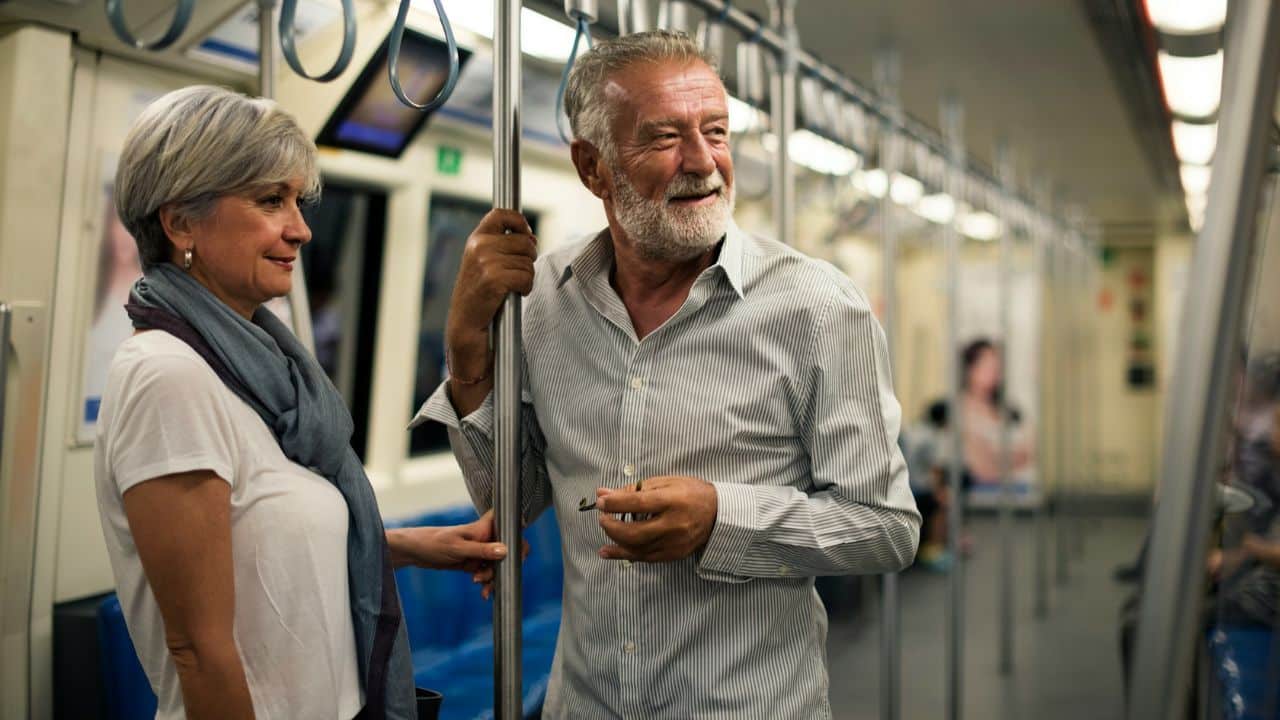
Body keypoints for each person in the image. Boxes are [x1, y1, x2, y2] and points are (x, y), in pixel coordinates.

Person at [413, 31, 920, 717]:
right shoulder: (543, 300)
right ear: (593, 169)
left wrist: (722, 519)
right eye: (664, 137)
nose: (703, 161)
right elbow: (516, 495)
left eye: (716, 131)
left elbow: (885, 527)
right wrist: (467, 346)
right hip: (586, 702)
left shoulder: (817, 308)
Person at [94, 85, 509, 720]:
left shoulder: (263, 369)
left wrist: (413, 545)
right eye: (269, 201)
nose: (301, 228)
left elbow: (260, 544)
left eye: (297, 201)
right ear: (180, 222)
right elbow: (199, 650)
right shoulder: (169, 376)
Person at [959, 338, 1031, 486]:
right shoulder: (960, 410)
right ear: (971, 369)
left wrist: (996, 457)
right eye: (988, 366)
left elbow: (1029, 451)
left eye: (997, 367)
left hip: (1019, 489)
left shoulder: (1009, 411)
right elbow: (980, 465)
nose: (995, 373)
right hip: (984, 492)